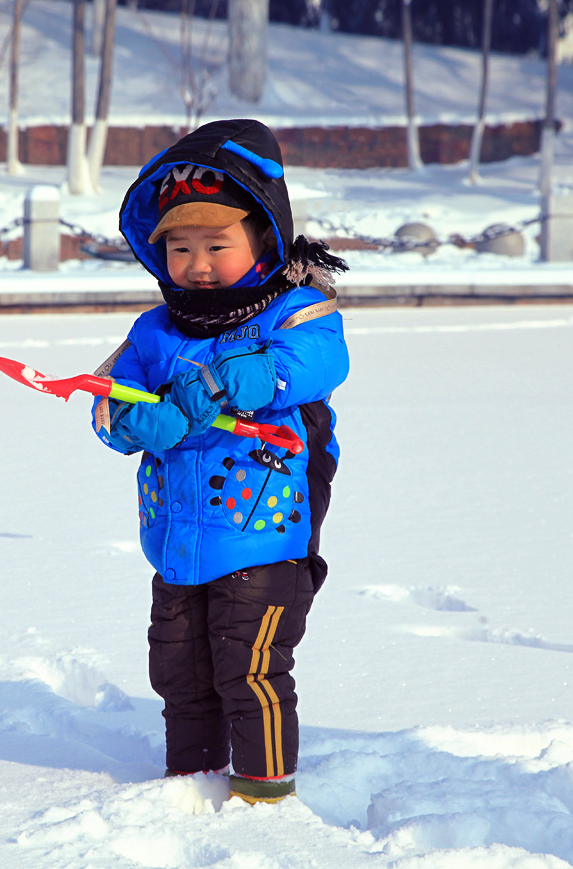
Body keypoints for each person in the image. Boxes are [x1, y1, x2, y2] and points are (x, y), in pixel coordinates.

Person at [90, 119, 350, 805]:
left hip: (263, 533)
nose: (197, 263)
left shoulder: (294, 313)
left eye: (216, 244)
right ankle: (189, 785)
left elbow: (315, 363)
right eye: (179, 246)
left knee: (251, 665)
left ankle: (264, 796)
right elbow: (107, 402)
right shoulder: (155, 331)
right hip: (175, 542)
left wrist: (227, 383)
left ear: (263, 238)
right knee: (179, 671)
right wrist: (135, 418)